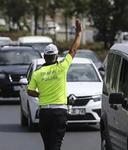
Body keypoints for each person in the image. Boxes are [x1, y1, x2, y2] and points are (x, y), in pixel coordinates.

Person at [27, 19, 82, 150]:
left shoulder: (37, 73)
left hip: (44, 113)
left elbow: (29, 91)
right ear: (56, 57)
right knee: (55, 145)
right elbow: (73, 50)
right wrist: (79, 34)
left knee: (48, 146)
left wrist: (40, 94)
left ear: (44, 57)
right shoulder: (62, 67)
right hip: (59, 113)